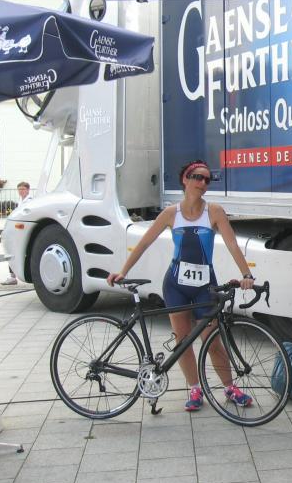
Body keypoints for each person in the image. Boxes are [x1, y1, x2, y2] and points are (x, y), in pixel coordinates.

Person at [106, 160, 255, 412]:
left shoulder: (214, 212)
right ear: (185, 179)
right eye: (197, 177)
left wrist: (246, 274)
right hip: (175, 285)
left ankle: (230, 388)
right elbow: (144, 243)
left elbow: (232, 244)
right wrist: (123, 271)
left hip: (205, 286)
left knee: (212, 340)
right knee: (182, 340)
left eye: (207, 179)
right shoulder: (170, 214)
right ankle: (195, 389)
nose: (203, 183)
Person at [1, 181, 32, 286]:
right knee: (12, 252)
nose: (21, 191)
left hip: (24, 232)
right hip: (18, 231)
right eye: (19, 189)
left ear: (28, 190)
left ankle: (13, 277)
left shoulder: (30, 201)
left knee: (16, 252)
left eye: (23, 189)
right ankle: (12, 276)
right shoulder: (20, 201)